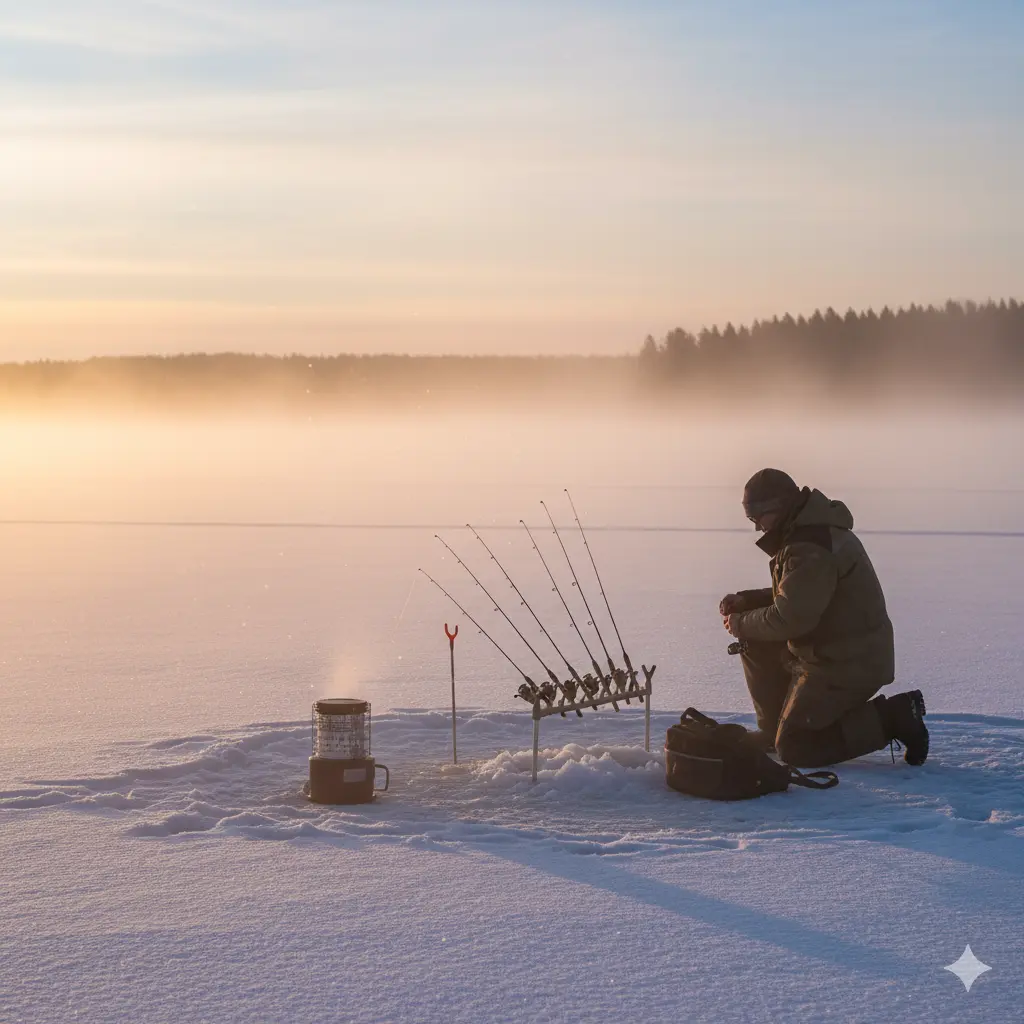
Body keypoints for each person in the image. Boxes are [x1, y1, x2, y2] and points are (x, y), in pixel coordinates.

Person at [720, 468, 929, 768]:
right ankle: (773, 730)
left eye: (758, 518)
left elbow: (790, 619)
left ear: (780, 508)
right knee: (755, 639)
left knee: (796, 747)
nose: (757, 528)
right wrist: (748, 601)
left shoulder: (810, 546)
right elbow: (802, 594)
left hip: (848, 661)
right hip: (830, 650)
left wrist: (740, 622)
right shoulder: (805, 533)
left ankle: (895, 717)